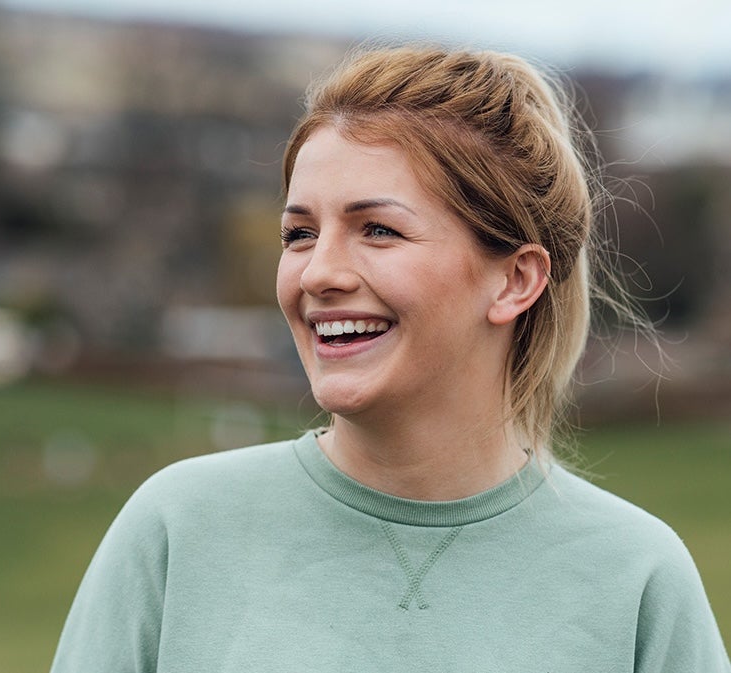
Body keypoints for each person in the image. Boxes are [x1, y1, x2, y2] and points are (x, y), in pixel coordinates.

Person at [49, 45, 730, 672]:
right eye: (299, 233)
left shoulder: (638, 581)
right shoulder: (178, 530)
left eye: (377, 229)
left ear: (515, 280)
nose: (319, 272)